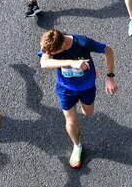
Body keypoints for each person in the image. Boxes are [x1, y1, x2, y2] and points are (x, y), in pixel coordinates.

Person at [38, 29, 117, 168]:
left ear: (62, 46)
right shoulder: (51, 46)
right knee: (71, 121)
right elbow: (44, 63)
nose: (49, 54)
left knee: (88, 112)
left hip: (86, 87)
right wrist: (71, 63)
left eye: (52, 53)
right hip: (65, 89)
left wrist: (109, 77)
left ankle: (83, 101)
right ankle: (77, 146)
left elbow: (108, 50)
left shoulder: (82, 42)